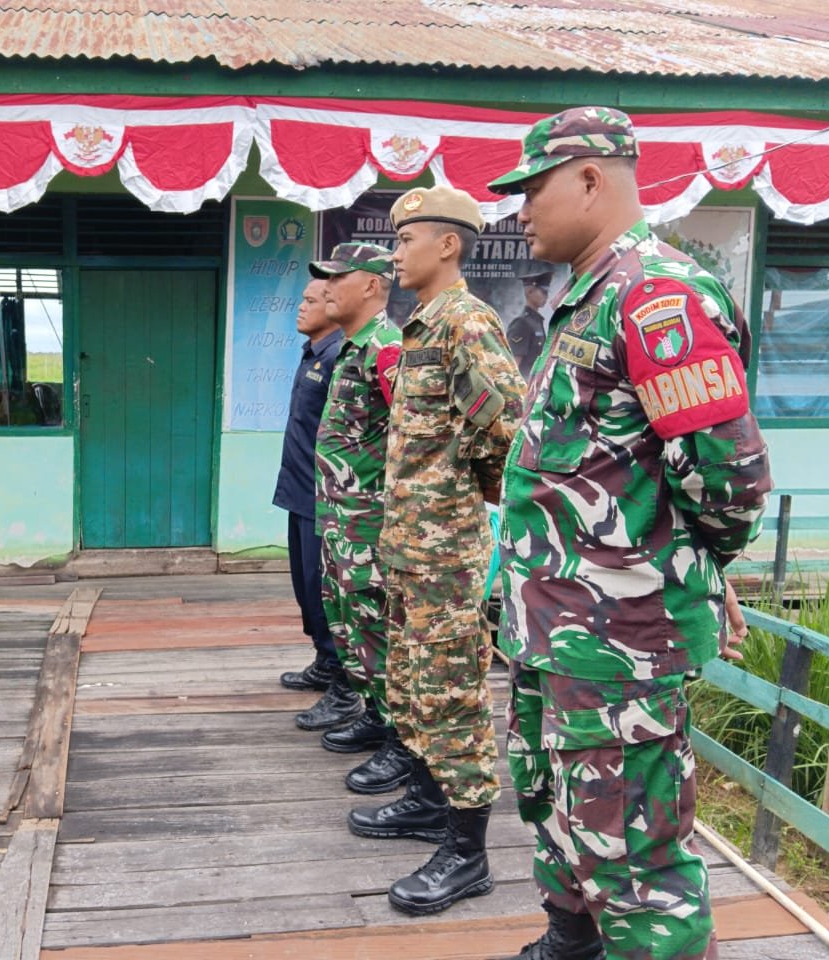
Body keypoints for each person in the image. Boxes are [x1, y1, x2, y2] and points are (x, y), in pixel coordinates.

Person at [488, 106, 773, 959]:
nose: (520, 211)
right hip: (560, 632)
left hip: (621, 645)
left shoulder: (657, 296)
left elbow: (731, 480)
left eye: (532, 189)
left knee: (636, 861)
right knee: (561, 812)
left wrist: (686, 569)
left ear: (589, 180)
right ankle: (569, 942)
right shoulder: (590, 296)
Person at [353, 185, 526, 917]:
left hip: (446, 554)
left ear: (448, 244)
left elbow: (509, 433)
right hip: (410, 550)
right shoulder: (423, 322)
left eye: (406, 239)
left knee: (452, 694)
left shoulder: (467, 323)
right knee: (415, 685)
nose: (396, 253)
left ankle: (468, 853)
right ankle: (429, 801)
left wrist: (462, 506)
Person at [303, 242, 414, 794]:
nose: (326, 289)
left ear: (371, 285)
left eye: (337, 279)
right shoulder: (352, 348)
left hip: (370, 526)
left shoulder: (386, 349)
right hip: (339, 522)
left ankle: (401, 738)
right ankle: (373, 711)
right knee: (350, 628)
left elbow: (411, 440)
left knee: (377, 631)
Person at [276, 279, 346, 696]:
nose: (301, 307)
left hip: (325, 500)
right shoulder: (313, 354)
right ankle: (324, 660)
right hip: (300, 492)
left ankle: (340, 675)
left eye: (311, 300)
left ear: (333, 306)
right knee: (305, 587)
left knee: (324, 590)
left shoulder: (339, 357)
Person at [507, 264, 552, 378]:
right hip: (524, 384)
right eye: (543, 292)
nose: (546, 296)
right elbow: (513, 366)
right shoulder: (521, 323)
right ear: (530, 291)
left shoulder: (536, 321)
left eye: (547, 293)